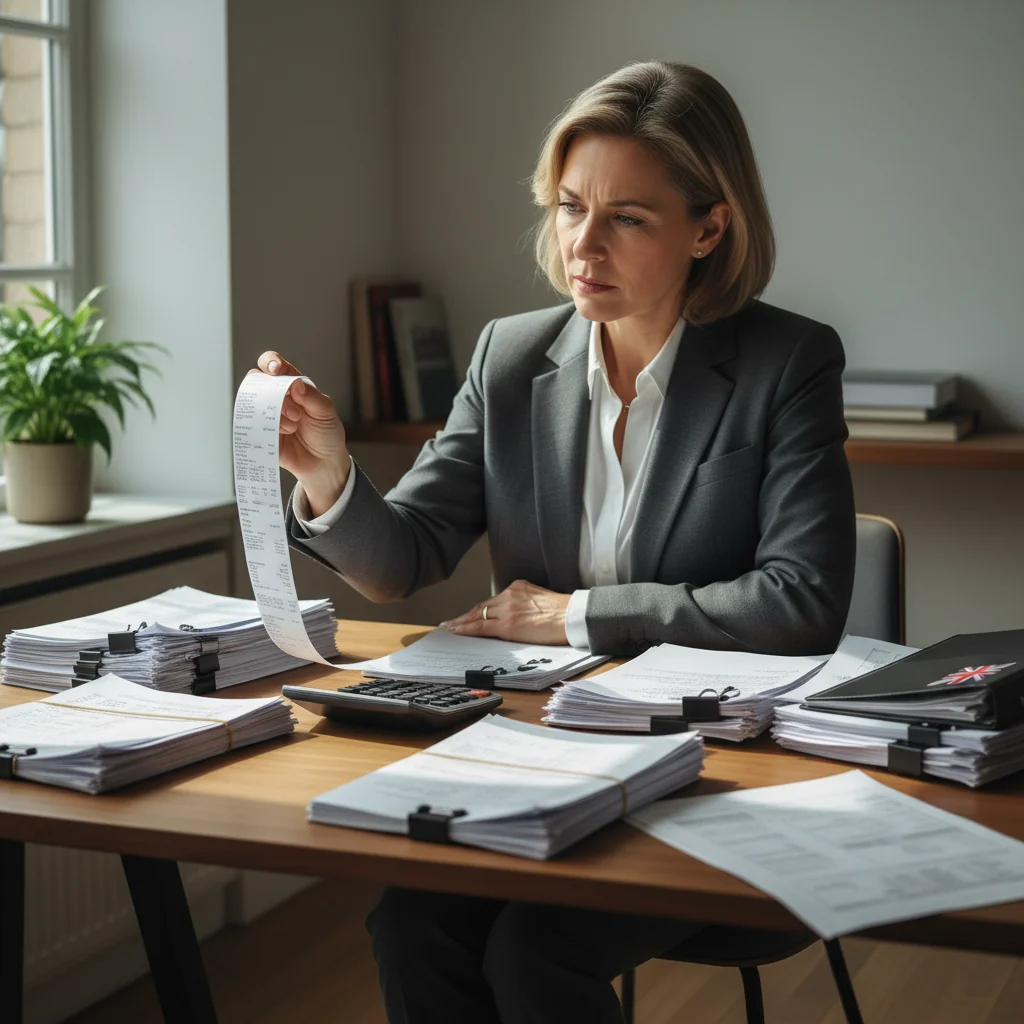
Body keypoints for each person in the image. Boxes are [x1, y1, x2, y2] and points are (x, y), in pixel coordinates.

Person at [254, 60, 855, 1024]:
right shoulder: (511, 357)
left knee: (537, 954)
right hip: (536, 758)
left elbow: (801, 599)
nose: (584, 243)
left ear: (710, 226)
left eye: (628, 217)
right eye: (571, 206)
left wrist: (573, 614)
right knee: (409, 923)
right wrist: (327, 471)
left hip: (709, 770)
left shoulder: (788, 361)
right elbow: (404, 556)